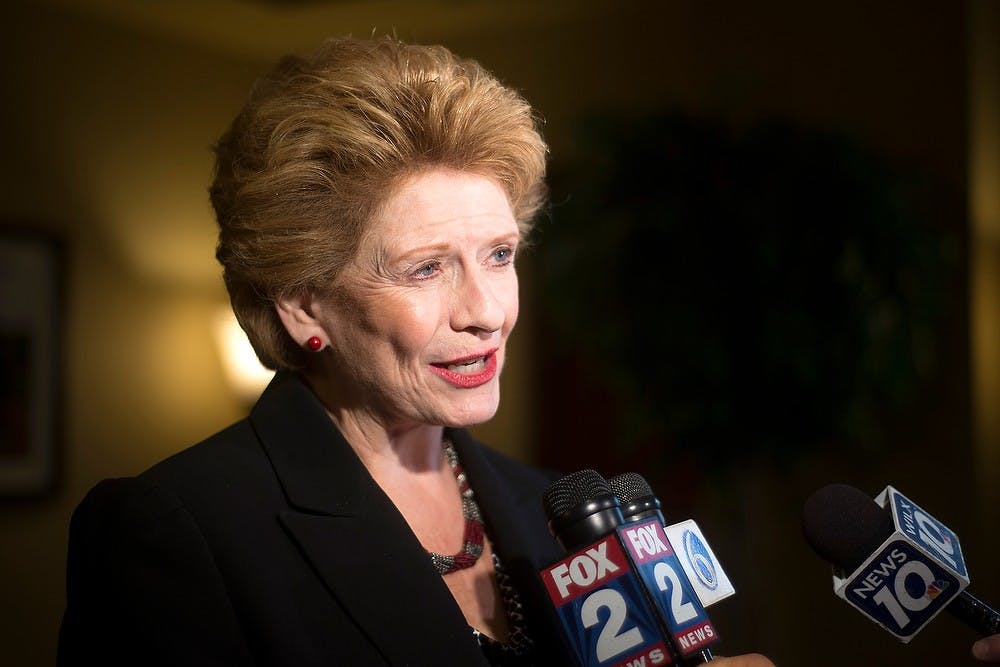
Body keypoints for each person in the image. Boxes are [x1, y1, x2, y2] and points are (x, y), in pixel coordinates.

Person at [57, 36, 774, 666]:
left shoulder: (554, 506)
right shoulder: (178, 532)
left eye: (499, 254)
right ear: (305, 303)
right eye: (426, 267)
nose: (487, 312)